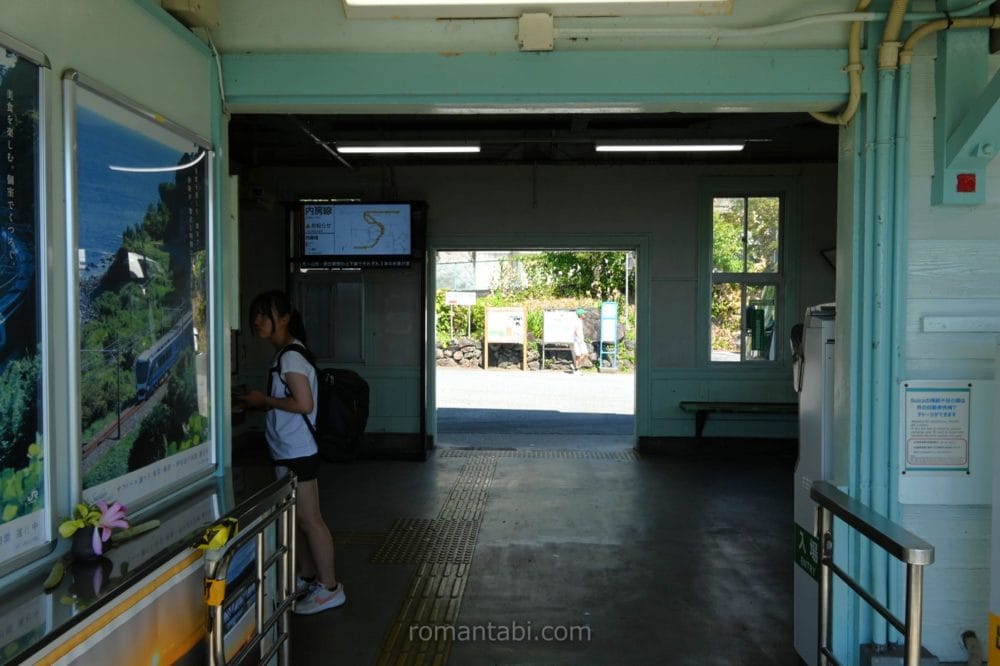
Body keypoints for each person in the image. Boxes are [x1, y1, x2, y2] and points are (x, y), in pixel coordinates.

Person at [238, 290, 346, 615]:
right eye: (254, 314)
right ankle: (308, 577)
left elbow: (303, 404)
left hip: (298, 452)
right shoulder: (287, 355)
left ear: (284, 319)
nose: (257, 321)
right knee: (301, 520)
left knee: (310, 520)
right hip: (289, 450)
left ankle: (329, 588)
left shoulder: (290, 357)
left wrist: (263, 401)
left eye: (265, 314)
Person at [572, 308, 588, 374]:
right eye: (583, 313)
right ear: (580, 315)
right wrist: (579, 339)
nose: (585, 314)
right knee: (585, 353)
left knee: (578, 355)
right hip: (579, 340)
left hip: (578, 340)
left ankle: (576, 368)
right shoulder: (577, 321)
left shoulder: (579, 321)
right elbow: (575, 331)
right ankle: (576, 368)